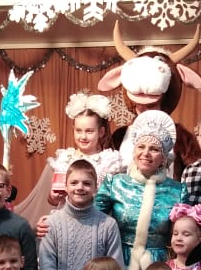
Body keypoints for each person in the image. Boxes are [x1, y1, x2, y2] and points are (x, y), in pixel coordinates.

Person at [95, 110, 186, 270]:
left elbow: (186, 233)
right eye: (141, 147)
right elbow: (92, 219)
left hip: (158, 266)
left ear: (164, 157)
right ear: (134, 150)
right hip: (119, 260)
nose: (146, 153)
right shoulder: (114, 183)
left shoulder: (178, 191)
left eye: (154, 149)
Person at [98, 21, 201, 180]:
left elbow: (196, 173)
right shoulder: (120, 136)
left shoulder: (181, 136)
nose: (145, 110)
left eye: (152, 105)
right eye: (140, 104)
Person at [16, 93, 125, 227]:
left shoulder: (110, 161)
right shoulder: (64, 160)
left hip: (97, 224)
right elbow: (53, 201)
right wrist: (53, 197)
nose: (83, 136)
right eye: (79, 131)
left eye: (89, 131)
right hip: (66, 223)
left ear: (101, 132)